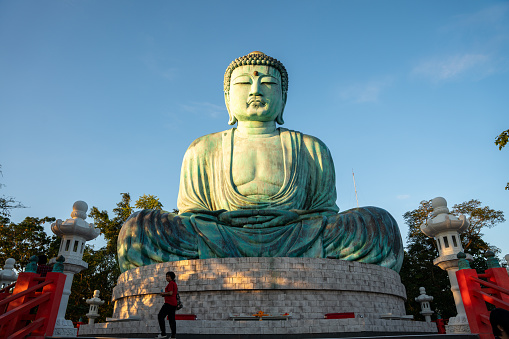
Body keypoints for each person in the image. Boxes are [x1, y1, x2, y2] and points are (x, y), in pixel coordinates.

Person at [118, 51, 404, 273]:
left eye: (268, 83)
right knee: (138, 228)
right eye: (244, 83)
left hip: (296, 235)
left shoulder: (310, 148)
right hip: (218, 236)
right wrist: (219, 219)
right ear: (228, 100)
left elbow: (324, 213)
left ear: (283, 99)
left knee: (379, 225)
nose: (256, 90)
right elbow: (192, 214)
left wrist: (294, 218)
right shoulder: (203, 148)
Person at [157, 271, 177, 339]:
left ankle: (163, 334)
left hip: (169, 303)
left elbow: (170, 293)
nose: (167, 277)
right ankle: (173, 336)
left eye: (168, 276)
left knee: (160, 316)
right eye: (166, 276)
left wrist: (163, 294)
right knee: (172, 319)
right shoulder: (174, 283)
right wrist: (165, 295)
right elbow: (171, 293)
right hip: (173, 303)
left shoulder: (171, 283)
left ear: (172, 277)